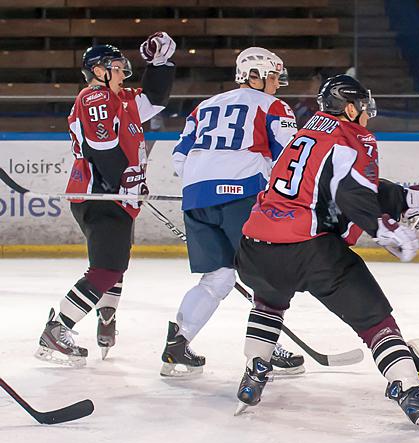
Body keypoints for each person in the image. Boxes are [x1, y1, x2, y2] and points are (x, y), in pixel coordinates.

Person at [232, 74, 419, 432]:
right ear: (350, 108)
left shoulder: (306, 133)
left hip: (255, 248)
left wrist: (411, 197)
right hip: (307, 250)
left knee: (269, 302)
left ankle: (254, 371)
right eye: (364, 108)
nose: (368, 116)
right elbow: (352, 196)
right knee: (376, 321)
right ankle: (410, 392)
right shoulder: (353, 136)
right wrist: (386, 227)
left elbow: (336, 186)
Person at [35, 33, 176, 366]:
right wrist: (126, 181)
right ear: (97, 70)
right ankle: (57, 329)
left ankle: (106, 319)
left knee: (115, 265)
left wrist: (160, 64)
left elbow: (155, 98)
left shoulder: (122, 98)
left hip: (115, 196)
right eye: (115, 66)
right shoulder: (93, 97)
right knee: (108, 267)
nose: (122, 71)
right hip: (101, 194)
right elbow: (103, 147)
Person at [162, 47, 304, 377]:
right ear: (253, 76)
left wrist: (207, 184)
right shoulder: (274, 107)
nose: (276, 85)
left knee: (218, 276)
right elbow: (290, 158)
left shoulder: (204, 106)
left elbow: (178, 159)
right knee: (268, 272)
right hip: (242, 196)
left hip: (196, 197)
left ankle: (177, 346)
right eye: (272, 77)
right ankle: (265, 349)